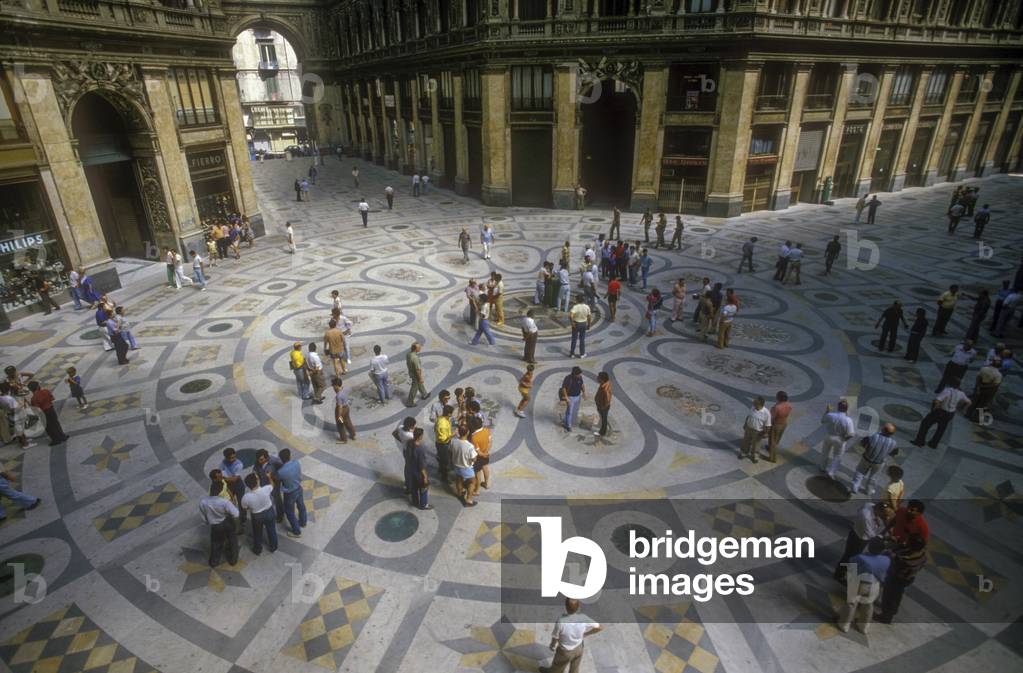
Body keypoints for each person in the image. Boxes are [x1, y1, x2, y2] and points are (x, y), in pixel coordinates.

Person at [837, 537, 889, 634]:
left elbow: (851, 568)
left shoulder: (860, 558)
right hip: (874, 584)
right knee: (868, 604)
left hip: (859, 583)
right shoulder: (886, 560)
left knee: (852, 603)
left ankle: (844, 624)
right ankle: (863, 627)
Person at [539, 598, 603, 673]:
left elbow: (555, 637)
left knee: (557, 667)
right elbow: (600, 627)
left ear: (565, 607)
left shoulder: (561, 621)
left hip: (565, 651)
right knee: (575, 669)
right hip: (579, 648)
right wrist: (585, 634)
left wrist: (552, 646)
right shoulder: (583, 618)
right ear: (578, 607)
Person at [876, 534, 927, 624]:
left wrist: (891, 553)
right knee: (897, 595)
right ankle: (892, 610)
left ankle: (886, 616)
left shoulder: (905, 560)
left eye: (908, 543)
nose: (906, 543)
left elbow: (895, 561)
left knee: (889, 595)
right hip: (908, 578)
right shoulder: (922, 555)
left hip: (898, 579)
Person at [834, 501, 889, 582]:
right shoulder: (866, 517)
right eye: (882, 513)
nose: (882, 515)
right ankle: (839, 574)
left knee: (850, 555)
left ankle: (842, 572)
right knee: (850, 556)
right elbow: (870, 533)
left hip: (859, 533)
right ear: (877, 509)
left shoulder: (870, 505)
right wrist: (881, 538)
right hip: (859, 539)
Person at [912, 379, 970, 449]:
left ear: (950, 384)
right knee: (941, 429)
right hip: (950, 414)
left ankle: (920, 441)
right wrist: (960, 408)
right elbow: (969, 402)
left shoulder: (947, 391)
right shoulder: (961, 393)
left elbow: (937, 401)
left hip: (941, 411)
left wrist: (933, 409)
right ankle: (933, 444)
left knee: (925, 423)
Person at [850, 423, 898, 496]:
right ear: (892, 434)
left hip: (866, 458)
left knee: (860, 472)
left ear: (883, 429)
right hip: (879, 463)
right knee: (873, 478)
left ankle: (855, 486)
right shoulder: (893, 443)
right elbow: (893, 453)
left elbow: (862, 443)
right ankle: (868, 491)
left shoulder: (873, 436)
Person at [199, 492, 239, 567]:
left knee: (216, 543)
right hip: (227, 523)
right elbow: (236, 514)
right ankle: (233, 560)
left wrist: (208, 522)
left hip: (215, 526)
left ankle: (214, 562)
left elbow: (203, 517)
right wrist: (233, 505)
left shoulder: (203, 502)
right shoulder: (224, 502)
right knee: (233, 540)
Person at [241, 473, 278, 555]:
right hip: (269, 512)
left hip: (257, 516)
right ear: (257, 481)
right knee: (272, 530)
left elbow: (245, 508)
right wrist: (269, 477)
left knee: (257, 533)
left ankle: (258, 550)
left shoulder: (245, 497)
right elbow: (272, 485)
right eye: (258, 478)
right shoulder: (266, 489)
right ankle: (273, 547)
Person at [820, 400, 856, 478]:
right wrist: (844, 439)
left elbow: (822, 421)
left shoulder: (830, 415)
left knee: (825, 452)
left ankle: (822, 467)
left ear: (838, 407)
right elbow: (851, 434)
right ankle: (831, 472)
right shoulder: (848, 420)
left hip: (829, 436)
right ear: (846, 409)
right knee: (837, 456)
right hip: (840, 439)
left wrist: (827, 411)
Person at [27, 381, 69, 446]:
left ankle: (56, 439)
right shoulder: (46, 391)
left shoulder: (34, 398)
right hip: (51, 409)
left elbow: (37, 409)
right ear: (38, 386)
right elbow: (53, 398)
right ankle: (62, 436)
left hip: (43, 413)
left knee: (48, 427)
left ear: (30, 390)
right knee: (55, 423)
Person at [276, 449, 306, 538]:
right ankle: (303, 522)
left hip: (289, 493)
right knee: (301, 506)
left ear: (281, 459)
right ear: (289, 456)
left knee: (289, 512)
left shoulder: (280, 472)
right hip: (299, 488)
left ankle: (296, 532)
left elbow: (277, 480)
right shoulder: (296, 463)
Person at [966, 357, 1002, 421]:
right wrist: (984, 387)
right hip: (988, 390)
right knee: (982, 404)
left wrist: (979, 386)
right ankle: (975, 418)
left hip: (980, 385)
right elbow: (995, 384)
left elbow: (978, 377)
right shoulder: (998, 374)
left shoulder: (984, 369)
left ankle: (968, 414)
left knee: (975, 401)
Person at [450, 424, 478, 506]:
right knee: (473, 482)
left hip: (456, 465)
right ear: (467, 433)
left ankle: (459, 493)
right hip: (466, 467)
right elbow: (474, 459)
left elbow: (450, 451)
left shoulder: (453, 441)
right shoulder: (470, 446)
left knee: (459, 479)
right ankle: (469, 500)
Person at [738, 397, 771, 463]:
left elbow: (768, 425)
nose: (753, 403)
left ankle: (755, 456)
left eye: (755, 403)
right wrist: (745, 424)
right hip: (749, 428)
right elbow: (748, 416)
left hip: (758, 431)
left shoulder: (766, 413)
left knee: (756, 444)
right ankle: (744, 452)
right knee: (745, 441)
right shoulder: (753, 408)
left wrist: (766, 433)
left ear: (759, 404)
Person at [468, 415, 491, 496]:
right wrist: (487, 452)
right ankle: (486, 484)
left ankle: (477, 490)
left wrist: (483, 454)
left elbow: (478, 452)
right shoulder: (487, 430)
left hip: (479, 457)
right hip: (486, 453)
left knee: (478, 473)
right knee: (485, 467)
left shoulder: (474, 437)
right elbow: (490, 442)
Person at [765, 391, 791, 463]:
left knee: (772, 440)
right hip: (783, 423)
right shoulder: (789, 405)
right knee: (777, 438)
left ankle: (772, 458)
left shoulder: (777, 407)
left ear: (778, 398)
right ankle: (770, 448)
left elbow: (771, 417)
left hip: (776, 425)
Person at [560, 366, 586, 432]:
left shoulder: (580, 377)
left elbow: (582, 384)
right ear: (574, 374)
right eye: (579, 374)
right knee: (569, 412)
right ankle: (568, 426)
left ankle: (568, 421)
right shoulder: (568, 378)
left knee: (575, 410)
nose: (580, 375)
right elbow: (564, 388)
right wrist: (566, 398)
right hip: (570, 397)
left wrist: (584, 392)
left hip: (578, 396)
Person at [434, 403, 453, 481]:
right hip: (443, 444)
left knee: (442, 457)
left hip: (441, 443)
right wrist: (453, 434)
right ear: (449, 413)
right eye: (451, 413)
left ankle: (441, 469)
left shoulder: (441, 418)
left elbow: (435, 429)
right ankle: (444, 476)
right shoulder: (443, 424)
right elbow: (443, 439)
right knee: (445, 460)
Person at [594, 371, 613, 437]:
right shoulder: (604, 384)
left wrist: (604, 406)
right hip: (601, 405)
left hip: (603, 406)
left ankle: (602, 432)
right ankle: (603, 425)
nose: (597, 378)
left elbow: (607, 399)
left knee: (604, 418)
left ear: (602, 379)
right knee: (603, 418)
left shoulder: (605, 388)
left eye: (598, 378)